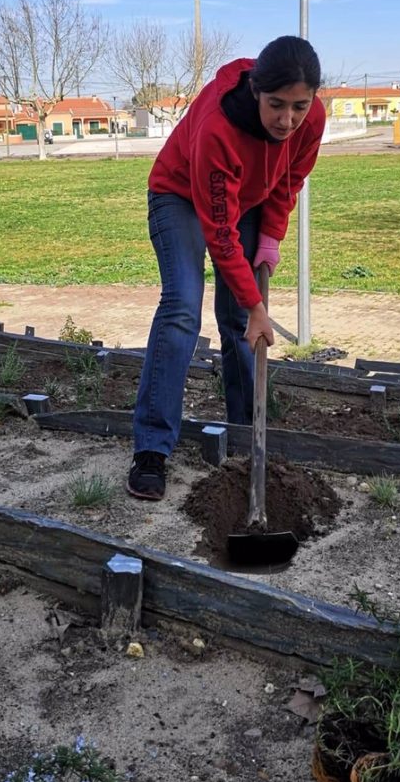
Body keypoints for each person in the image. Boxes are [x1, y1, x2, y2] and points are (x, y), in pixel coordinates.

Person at [127, 35, 326, 500]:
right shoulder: (220, 125)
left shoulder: (311, 119)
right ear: (256, 90)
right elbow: (220, 235)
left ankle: (244, 435)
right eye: (276, 104)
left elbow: (289, 179)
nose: (287, 119)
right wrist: (258, 304)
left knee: (238, 320)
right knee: (182, 306)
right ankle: (151, 449)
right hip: (180, 195)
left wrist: (272, 239)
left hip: (249, 200)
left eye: (299, 106)